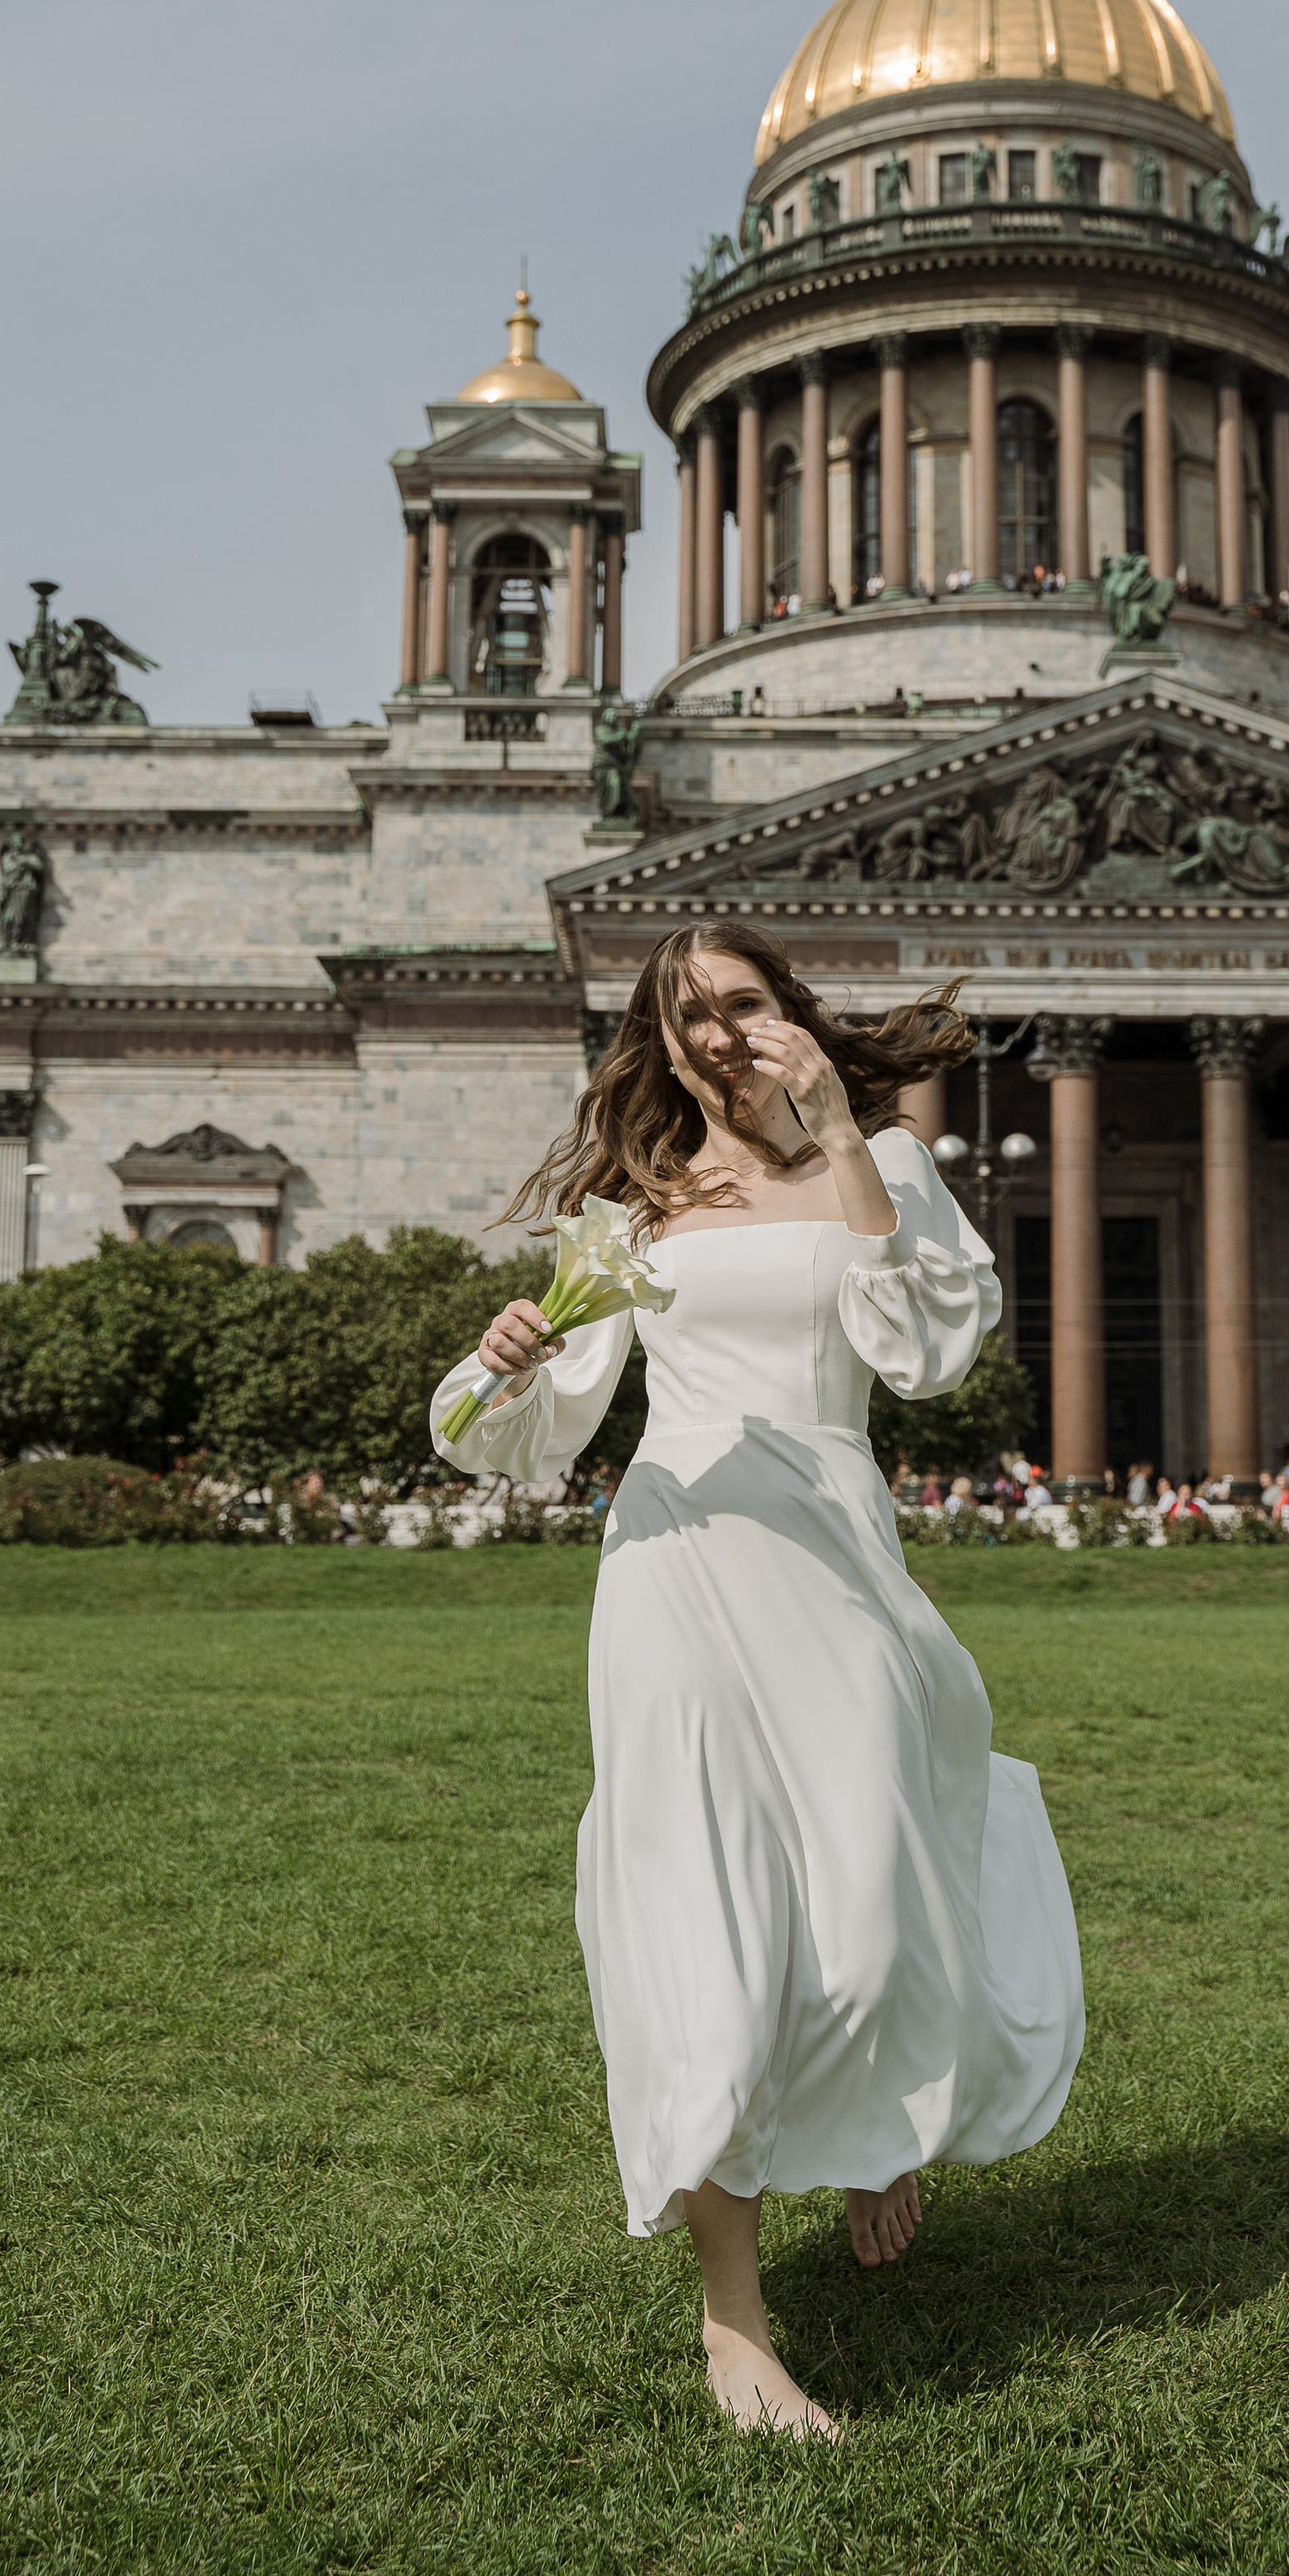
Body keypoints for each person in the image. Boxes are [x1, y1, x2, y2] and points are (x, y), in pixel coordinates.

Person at [433, 921, 1084, 2442]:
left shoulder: (893, 1171)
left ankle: (876, 2115)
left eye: (740, 1004)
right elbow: (520, 1434)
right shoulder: (631, 1209)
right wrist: (513, 1357)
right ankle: (737, 2331)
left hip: (832, 1551)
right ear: (660, 1051)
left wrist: (844, 1133)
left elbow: (923, 1349)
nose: (715, 1035)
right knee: (704, 1915)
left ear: (792, 1014)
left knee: (865, 1920)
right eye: (685, 1019)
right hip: (672, 1559)